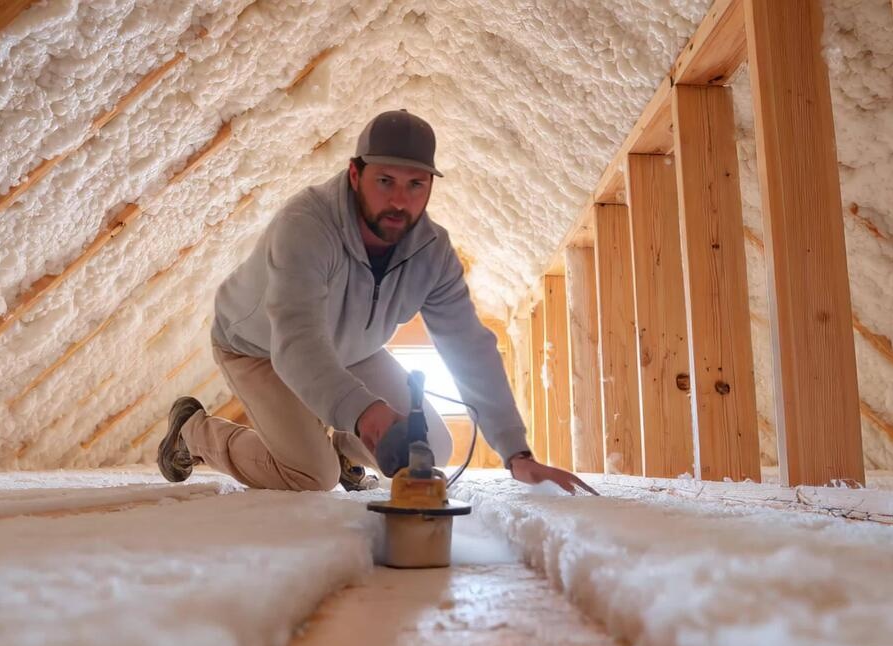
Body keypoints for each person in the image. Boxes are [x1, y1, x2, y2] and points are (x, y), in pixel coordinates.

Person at [156, 109, 596, 496]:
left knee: (432, 447)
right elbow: (297, 342)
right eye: (385, 181)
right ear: (355, 174)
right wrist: (364, 411)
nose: (399, 201)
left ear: (429, 187)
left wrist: (515, 451)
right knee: (312, 475)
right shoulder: (306, 226)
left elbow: (469, 347)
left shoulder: (433, 253)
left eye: (415, 185)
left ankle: (346, 454)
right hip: (259, 347)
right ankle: (193, 432)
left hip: (353, 351)